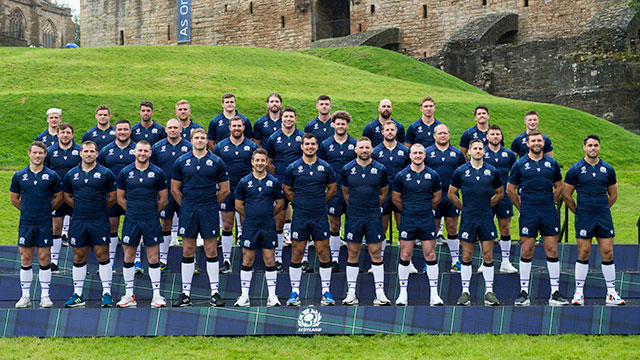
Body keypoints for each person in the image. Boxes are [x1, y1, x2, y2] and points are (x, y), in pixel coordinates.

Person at [507, 130, 569, 306]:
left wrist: (551, 202)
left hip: (548, 211)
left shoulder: (552, 163)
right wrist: (521, 207)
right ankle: (524, 291)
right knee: (527, 249)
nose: (536, 143)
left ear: (543, 143)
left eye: (539, 140)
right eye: (533, 140)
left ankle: (554, 292)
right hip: (529, 212)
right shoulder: (520, 164)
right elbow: (510, 189)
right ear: (527, 143)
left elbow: (559, 186)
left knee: (552, 249)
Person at [563, 134, 625, 306]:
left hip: (603, 216)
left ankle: (611, 293)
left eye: (596, 145)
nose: (593, 148)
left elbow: (613, 195)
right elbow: (566, 195)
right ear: (584, 147)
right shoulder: (576, 169)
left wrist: (603, 208)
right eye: (590, 145)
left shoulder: (608, 169)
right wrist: (579, 212)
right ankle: (578, 293)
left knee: (608, 252)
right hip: (584, 217)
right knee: (583, 252)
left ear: (599, 147)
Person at [171, 128, 230, 307]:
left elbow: (225, 189)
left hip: (209, 210)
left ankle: (214, 293)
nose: (199, 140)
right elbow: (175, 189)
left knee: (211, 250)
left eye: (203, 138)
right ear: (191, 140)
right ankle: (185, 294)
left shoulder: (216, 161)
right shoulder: (181, 161)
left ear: (206, 141)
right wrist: (187, 205)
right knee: (188, 250)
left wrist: (211, 204)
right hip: (189, 210)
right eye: (196, 138)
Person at [283, 133, 337, 306]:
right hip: (300, 215)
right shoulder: (293, 167)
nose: (310, 147)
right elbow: (287, 189)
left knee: (323, 252)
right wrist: (298, 202)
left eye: (313, 144)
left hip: (319, 215)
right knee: (297, 253)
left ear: (316, 146)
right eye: (307, 144)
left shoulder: (325, 167)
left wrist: (319, 201)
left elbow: (332, 189)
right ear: (302, 146)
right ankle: (295, 292)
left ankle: (326, 292)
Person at [62, 140, 117, 308]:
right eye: (85, 151)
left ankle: (106, 293)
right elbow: (67, 197)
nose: (88, 154)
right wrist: (81, 208)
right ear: (80, 153)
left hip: (99, 219)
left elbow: (112, 197)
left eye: (92, 151)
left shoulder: (106, 173)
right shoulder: (72, 174)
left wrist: (97, 209)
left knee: (103, 255)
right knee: (78, 256)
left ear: (96, 153)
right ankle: (78, 295)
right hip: (79, 220)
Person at [449, 139, 504, 306]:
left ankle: (489, 292)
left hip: (486, 218)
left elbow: (500, 193)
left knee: (487, 255)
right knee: (466, 255)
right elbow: (452, 193)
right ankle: (465, 291)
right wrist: (464, 207)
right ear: (470, 151)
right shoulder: (461, 171)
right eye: (475, 148)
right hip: (468, 219)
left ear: (484, 151)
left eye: (481, 148)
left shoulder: (492, 171)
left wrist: (488, 205)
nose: (478, 151)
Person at [115, 141, 168, 308]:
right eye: (140, 150)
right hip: (131, 220)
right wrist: (132, 211)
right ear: (134, 152)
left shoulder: (158, 172)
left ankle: (157, 295)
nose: (142, 153)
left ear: (150, 153)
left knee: (153, 257)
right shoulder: (125, 172)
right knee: (129, 256)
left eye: (146, 150)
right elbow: (120, 198)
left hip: (151, 220)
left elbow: (164, 199)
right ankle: (129, 295)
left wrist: (150, 212)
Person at [11, 141, 63, 308]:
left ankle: (45, 296)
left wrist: (46, 210)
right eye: (35, 153)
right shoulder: (19, 176)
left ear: (45, 155)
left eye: (41, 153)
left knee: (44, 258)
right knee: (26, 258)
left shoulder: (52, 175)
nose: (37, 156)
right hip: (26, 223)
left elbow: (59, 197)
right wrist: (27, 210)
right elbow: (14, 199)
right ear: (29, 153)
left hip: (44, 222)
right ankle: (25, 296)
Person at [340, 137, 391, 306]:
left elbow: (384, 193)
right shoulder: (347, 169)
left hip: (373, 216)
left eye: (367, 147)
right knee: (352, 253)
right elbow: (345, 192)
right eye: (361, 147)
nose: (364, 150)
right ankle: (351, 293)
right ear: (356, 150)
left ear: (371, 150)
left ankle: (380, 293)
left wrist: (373, 206)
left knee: (376, 253)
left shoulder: (380, 169)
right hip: (354, 216)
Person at [392, 143, 444, 306]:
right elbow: (396, 199)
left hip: (426, 219)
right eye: (415, 153)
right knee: (405, 254)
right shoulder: (401, 175)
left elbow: (436, 198)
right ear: (410, 155)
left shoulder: (433, 175)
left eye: (420, 153)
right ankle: (403, 294)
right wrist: (409, 210)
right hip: (408, 219)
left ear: (425, 155)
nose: (418, 155)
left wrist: (424, 210)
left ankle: (434, 294)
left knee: (430, 254)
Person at [233, 148, 285, 307]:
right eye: (257, 160)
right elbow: (238, 205)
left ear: (267, 162)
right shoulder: (244, 182)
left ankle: (272, 296)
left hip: (268, 224)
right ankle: (244, 296)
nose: (260, 163)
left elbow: (280, 204)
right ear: (252, 162)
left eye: (263, 160)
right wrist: (251, 215)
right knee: (247, 258)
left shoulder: (274, 182)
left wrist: (267, 214)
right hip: (250, 225)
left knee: (270, 259)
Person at [212, 116, 258, 274]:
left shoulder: (251, 146)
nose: (237, 128)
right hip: (227, 190)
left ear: (244, 127)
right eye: (234, 126)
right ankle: (226, 260)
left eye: (239, 126)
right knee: (226, 225)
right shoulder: (220, 147)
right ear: (229, 128)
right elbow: (215, 169)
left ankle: (247, 261)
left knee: (246, 225)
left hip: (246, 191)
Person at [263, 107, 306, 271]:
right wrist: (280, 175)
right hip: (281, 183)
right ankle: (278, 258)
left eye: (291, 117)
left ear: (295, 119)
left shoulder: (302, 137)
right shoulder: (274, 138)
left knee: (302, 220)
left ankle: (305, 259)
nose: (288, 119)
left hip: (300, 184)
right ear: (281, 118)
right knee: (278, 220)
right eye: (286, 116)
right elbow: (269, 161)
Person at [150, 118, 192, 273]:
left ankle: (189, 260)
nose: (173, 130)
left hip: (185, 192)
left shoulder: (189, 147)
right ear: (165, 130)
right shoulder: (157, 147)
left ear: (181, 129)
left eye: (176, 127)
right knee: (166, 224)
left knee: (188, 225)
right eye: (170, 128)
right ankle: (163, 260)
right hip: (165, 192)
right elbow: (151, 168)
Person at [317, 110, 356, 272]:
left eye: (343, 123)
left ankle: (352, 261)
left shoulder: (354, 144)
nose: (340, 126)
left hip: (352, 190)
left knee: (352, 226)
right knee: (334, 224)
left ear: (347, 125)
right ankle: (334, 259)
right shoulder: (326, 144)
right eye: (338, 123)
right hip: (334, 190)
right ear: (333, 125)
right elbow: (321, 166)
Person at [98, 119, 137, 273]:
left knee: (134, 227)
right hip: (113, 195)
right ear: (115, 131)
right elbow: (99, 169)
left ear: (130, 131)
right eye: (119, 129)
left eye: (125, 129)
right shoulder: (107, 150)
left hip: (133, 195)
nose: (122, 132)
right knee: (112, 226)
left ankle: (137, 261)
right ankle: (111, 262)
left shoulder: (137, 149)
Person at [425, 124, 465, 272]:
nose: (442, 136)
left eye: (445, 133)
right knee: (432, 229)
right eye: (440, 133)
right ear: (434, 135)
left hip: (451, 195)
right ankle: (430, 261)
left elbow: (463, 173)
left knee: (452, 228)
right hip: (433, 196)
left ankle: (455, 261)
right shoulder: (427, 153)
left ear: (449, 135)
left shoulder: (457, 153)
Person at [45, 122, 81, 274]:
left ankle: (79, 262)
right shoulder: (50, 151)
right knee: (56, 228)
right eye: (62, 132)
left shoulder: (80, 151)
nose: (65, 135)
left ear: (72, 134)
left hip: (76, 194)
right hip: (57, 195)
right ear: (57, 134)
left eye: (68, 132)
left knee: (78, 228)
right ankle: (54, 261)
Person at [484, 125, 518, 274]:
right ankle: (485, 260)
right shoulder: (481, 152)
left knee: (505, 227)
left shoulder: (509, 154)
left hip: (504, 195)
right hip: (485, 195)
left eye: (498, 134)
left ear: (501, 137)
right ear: (487, 136)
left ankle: (505, 261)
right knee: (485, 227)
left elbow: (516, 174)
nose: (495, 137)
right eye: (492, 134)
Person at [372, 120, 410, 257]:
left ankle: (406, 260)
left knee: (404, 228)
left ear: (396, 132)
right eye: (387, 130)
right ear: (382, 132)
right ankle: (378, 259)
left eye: (392, 130)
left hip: (401, 194)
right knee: (381, 228)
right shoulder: (376, 152)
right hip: (383, 194)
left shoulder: (405, 151)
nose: (389, 132)